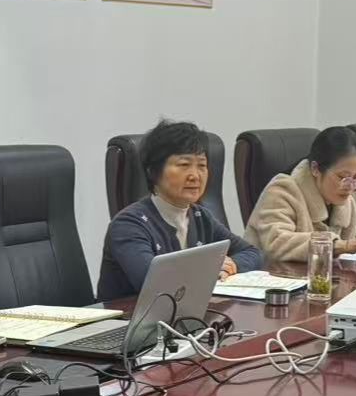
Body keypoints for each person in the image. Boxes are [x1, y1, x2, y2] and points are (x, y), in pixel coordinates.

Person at [98, 119, 262, 301]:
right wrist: (208, 268)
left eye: (202, 165)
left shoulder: (200, 216)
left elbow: (253, 253)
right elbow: (153, 282)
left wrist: (232, 265)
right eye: (184, 165)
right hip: (130, 316)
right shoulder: (128, 224)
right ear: (153, 171)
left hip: (186, 313)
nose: (195, 176)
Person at [243, 126, 356, 260]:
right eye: (343, 177)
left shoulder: (347, 202)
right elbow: (276, 243)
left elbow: (345, 258)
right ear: (315, 169)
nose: (350, 186)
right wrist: (337, 245)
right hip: (269, 274)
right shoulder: (281, 190)